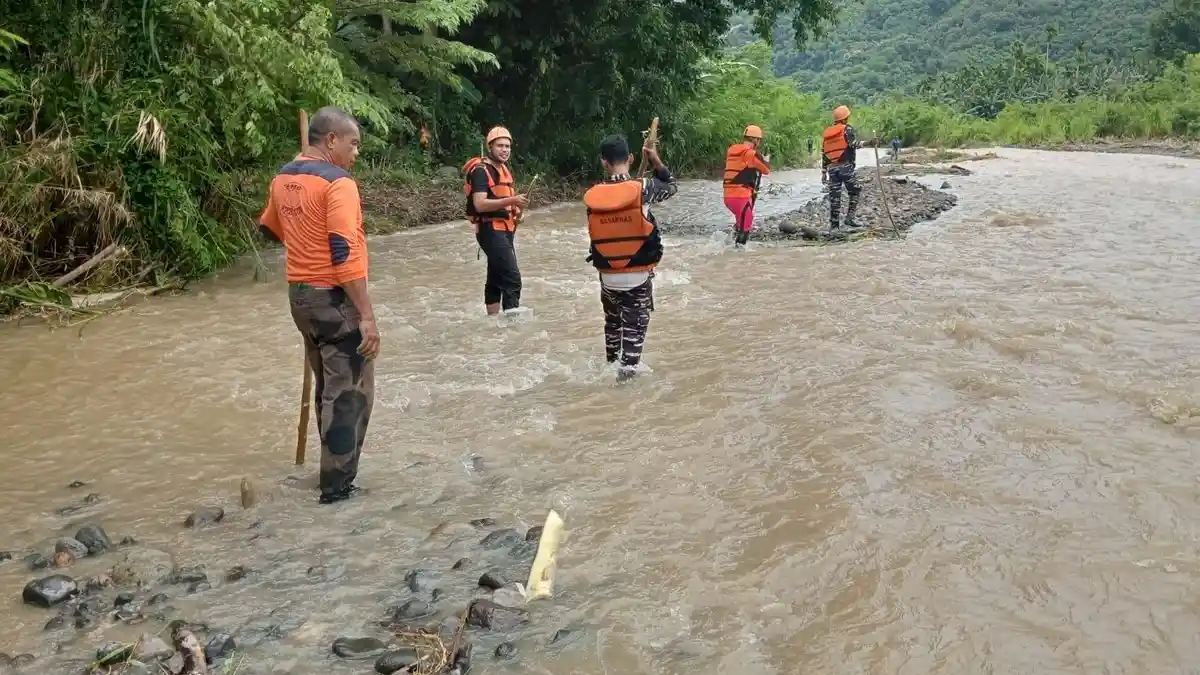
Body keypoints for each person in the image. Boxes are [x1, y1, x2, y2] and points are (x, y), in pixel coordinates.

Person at [258, 106, 379, 505]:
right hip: (334, 296)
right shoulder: (339, 184)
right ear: (331, 141)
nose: (355, 152)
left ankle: (329, 472)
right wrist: (366, 315)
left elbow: (272, 228)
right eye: (353, 143)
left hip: (301, 296)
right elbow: (343, 252)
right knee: (350, 395)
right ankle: (337, 491)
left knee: (328, 385)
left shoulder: (284, 176)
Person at [583, 134, 678, 383]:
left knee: (613, 330)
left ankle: (610, 371)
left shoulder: (592, 196)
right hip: (637, 279)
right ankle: (625, 392)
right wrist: (655, 160)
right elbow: (671, 185)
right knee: (633, 344)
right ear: (632, 158)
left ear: (604, 162)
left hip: (608, 280)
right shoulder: (644, 189)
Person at [464, 126, 530, 315]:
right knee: (512, 278)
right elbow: (480, 204)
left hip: (505, 229)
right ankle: (512, 325)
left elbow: (503, 202)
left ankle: (492, 321)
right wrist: (513, 200)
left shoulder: (503, 170)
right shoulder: (481, 171)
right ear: (490, 147)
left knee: (495, 276)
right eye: (500, 146)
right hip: (489, 230)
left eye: (507, 146)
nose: (504, 150)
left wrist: (517, 210)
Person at [821, 105, 874, 231]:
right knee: (855, 190)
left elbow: (824, 153)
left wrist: (823, 172)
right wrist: (869, 143)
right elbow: (853, 144)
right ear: (846, 118)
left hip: (832, 169)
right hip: (845, 167)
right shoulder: (847, 129)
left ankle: (834, 226)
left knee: (835, 196)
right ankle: (850, 218)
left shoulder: (828, 134)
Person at [722, 125, 772, 247]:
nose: (759, 143)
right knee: (745, 228)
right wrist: (766, 160)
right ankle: (738, 258)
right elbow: (766, 170)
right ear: (755, 140)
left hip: (728, 197)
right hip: (741, 197)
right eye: (759, 140)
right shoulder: (751, 154)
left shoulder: (732, 151)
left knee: (739, 225)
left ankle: (726, 248)